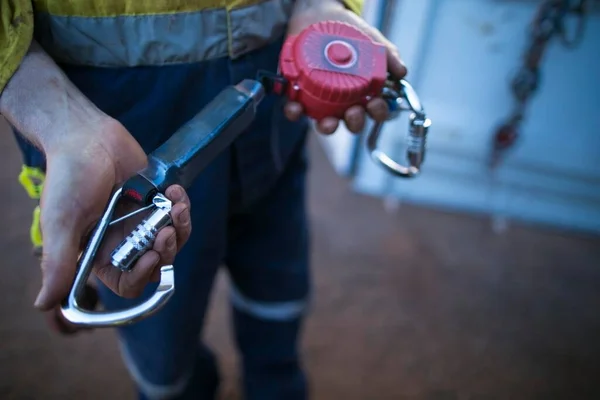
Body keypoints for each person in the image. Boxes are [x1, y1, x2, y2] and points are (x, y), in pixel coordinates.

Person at [0, 0, 407, 399]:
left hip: (274, 114)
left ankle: (275, 381)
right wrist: (54, 115)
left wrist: (321, 5)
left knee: (279, 290)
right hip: (113, 119)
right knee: (164, 349)